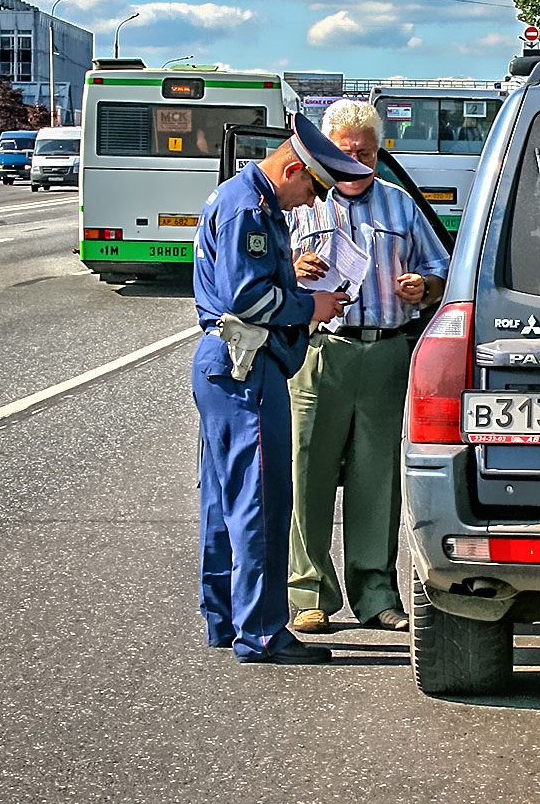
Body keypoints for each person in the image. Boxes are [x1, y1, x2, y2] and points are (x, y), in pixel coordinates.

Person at [191, 113, 373, 665]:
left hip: (226, 364)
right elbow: (246, 299)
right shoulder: (250, 208)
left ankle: (224, 618)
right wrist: (310, 305)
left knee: (224, 501)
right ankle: (264, 632)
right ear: (292, 168)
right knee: (261, 503)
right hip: (249, 364)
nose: (310, 204)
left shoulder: (244, 198)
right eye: (312, 189)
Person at [286, 98, 451, 634]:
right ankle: (310, 593)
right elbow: (261, 271)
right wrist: (293, 267)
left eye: (366, 150)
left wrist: (424, 287)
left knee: (376, 479)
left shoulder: (402, 206)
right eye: (345, 150)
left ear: (379, 153)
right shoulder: (302, 203)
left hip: (386, 354)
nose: (356, 159)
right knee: (306, 474)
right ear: (327, 151)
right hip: (319, 354)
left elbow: (441, 270)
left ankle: (376, 593)